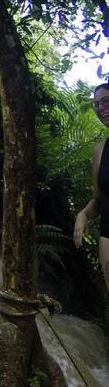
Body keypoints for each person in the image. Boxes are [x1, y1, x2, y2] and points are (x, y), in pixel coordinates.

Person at [73, 82, 109, 290]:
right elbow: (98, 198)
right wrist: (84, 215)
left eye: (106, 101)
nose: (101, 108)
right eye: (96, 104)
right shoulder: (100, 151)